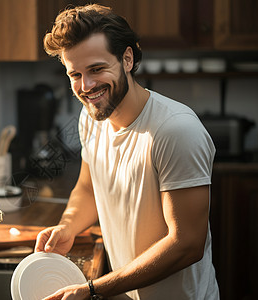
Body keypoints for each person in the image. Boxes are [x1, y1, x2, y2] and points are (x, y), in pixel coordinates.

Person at [34, 4, 220, 300]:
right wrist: (68, 226)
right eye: (75, 74)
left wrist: (95, 289)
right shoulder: (92, 119)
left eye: (96, 69)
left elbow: (187, 244)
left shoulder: (175, 130)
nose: (86, 86)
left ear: (128, 59)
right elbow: (89, 187)